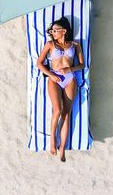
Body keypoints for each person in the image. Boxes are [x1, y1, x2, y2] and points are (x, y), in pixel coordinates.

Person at [36, 16, 84, 162]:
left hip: (70, 78)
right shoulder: (50, 44)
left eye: (55, 30)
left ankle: (62, 147)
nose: (53, 33)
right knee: (57, 110)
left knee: (66, 113)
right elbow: (39, 63)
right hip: (54, 78)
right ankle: (52, 140)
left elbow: (82, 65)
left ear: (64, 31)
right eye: (52, 31)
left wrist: (70, 68)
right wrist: (51, 74)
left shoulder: (75, 45)